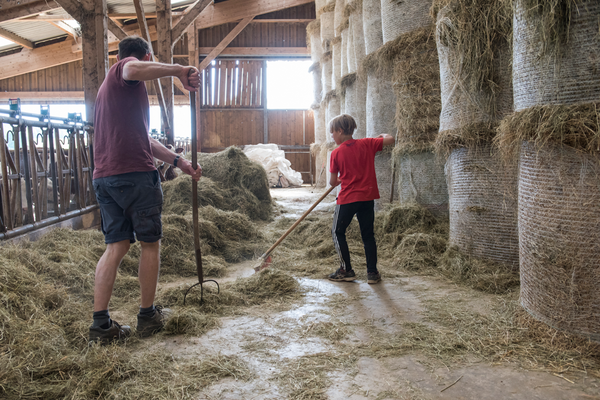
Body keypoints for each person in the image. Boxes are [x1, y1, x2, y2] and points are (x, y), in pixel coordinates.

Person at [89, 36, 202, 344]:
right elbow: (133, 68)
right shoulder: (124, 72)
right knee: (150, 244)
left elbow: (144, 141)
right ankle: (147, 315)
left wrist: (179, 162)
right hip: (135, 177)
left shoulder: (108, 94)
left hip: (106, 179)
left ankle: (101, 325)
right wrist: (178, 69)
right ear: (146, 57)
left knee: (117, 246)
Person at [327, 114, 394, 284]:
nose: (332, 136)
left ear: (340, 131)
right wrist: (382, 135)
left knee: (337, 232)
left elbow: (333, 182)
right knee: (368, 235)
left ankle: (346, 270)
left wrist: (343, 179)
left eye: (333, 132)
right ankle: (372, 272)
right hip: (367, 198)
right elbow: (390, 139)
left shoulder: (336, 153)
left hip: (348, 199)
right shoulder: (368, 143)